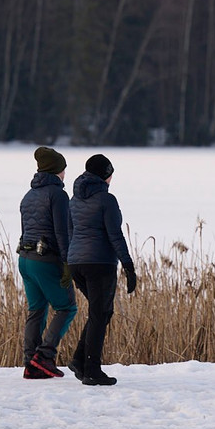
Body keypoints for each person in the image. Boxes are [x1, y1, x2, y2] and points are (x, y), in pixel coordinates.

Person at [66, 153, 138, 386]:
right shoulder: (107, 200)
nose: (111, 180)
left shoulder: (73, 200)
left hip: (77, 263)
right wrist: (128, 265)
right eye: (110, 175)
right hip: (100, 264)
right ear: (105, 175)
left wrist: (69, 263)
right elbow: (115, 235)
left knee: (102, 312)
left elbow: (70, 233)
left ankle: (79, 360)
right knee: (100, 313)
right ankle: (92, 370)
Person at [16, 145, 77, 379]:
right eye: (63, 170)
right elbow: (62, 233)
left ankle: (30, 361)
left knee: (37, 309)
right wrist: (67, 264)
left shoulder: (28, 195)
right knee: (66, 307)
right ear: (56, 171)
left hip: (25, 260)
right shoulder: (58, 195)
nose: (65, 174)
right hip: (46, 260)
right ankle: (45, 356)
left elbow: (25, 230)